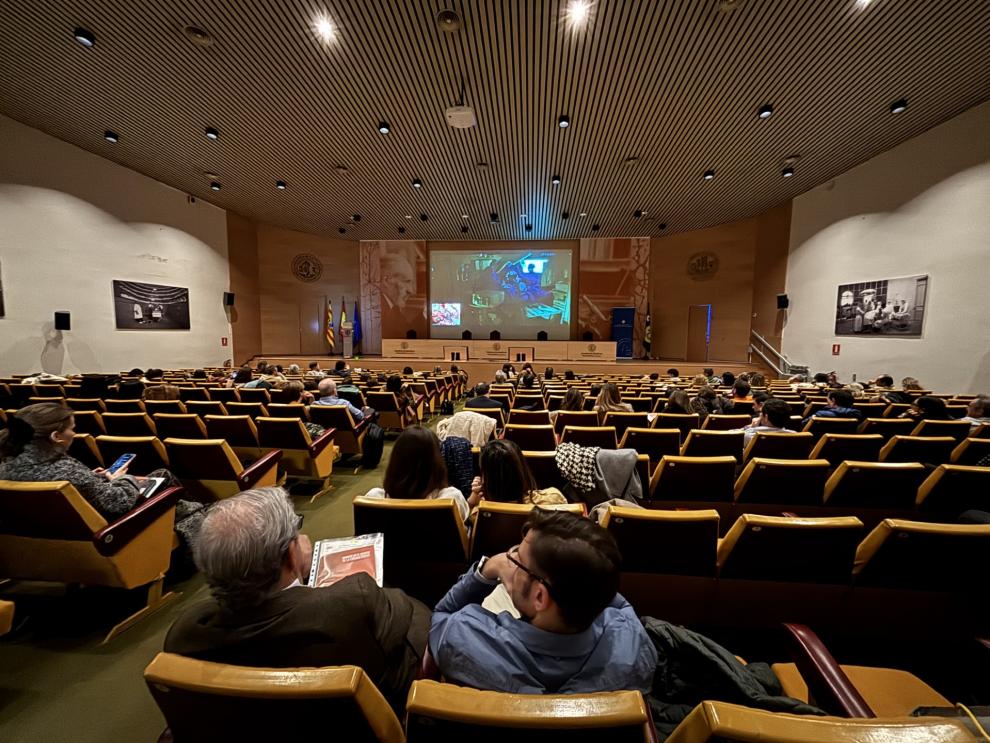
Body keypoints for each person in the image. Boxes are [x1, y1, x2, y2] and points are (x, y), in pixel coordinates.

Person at [163, 486, 429, 715]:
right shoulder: (354, 602)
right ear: (291, 554)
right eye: (296, 532)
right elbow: (419, 620)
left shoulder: (184, 636)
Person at [429, 509, 657, 694]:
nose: (510, 559)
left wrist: (488, 569)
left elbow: (440, 615)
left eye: (518, 559)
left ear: (540, 597)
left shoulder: (464, 637)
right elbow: (622, 607)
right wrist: (587, 580)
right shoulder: (635, 647)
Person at [0, 402, 204, 553]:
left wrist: (91, 477)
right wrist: (119, 479)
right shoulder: (64, 469)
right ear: (56, 436)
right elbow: (118, 503)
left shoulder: (7, 465)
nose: (74, 433)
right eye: (72, 429)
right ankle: (200, 526)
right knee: (173, 494)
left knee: (161, 475)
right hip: (109, 535)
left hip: (45, 539)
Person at [364, 426, 473, 522]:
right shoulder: (452, 499)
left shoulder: (371, 500)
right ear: (437, 461)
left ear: (394, 461)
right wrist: (473, 505)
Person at [472, 439, 566, 507]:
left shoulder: (480, 511)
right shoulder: (555, 498)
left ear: (487, 479)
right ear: (522, 469)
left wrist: (472, 502)